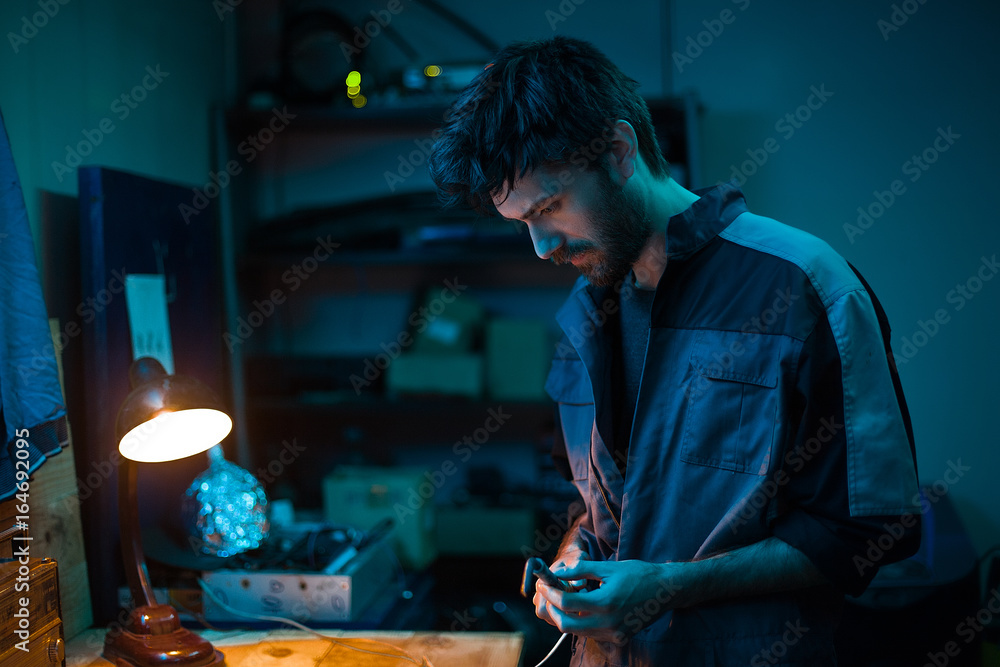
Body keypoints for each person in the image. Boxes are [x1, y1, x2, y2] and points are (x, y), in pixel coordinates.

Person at [428, 36, 921, 666]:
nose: (541, 246)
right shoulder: (588, 309)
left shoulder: (804, 286)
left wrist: (668, 588)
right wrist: (574, 554)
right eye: (521, 221)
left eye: (550, 207)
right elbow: (602, 502)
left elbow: (869, 530)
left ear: (618, 152)